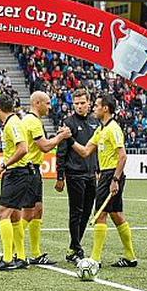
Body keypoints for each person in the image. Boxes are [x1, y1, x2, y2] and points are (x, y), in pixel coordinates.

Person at [63, 94, 138, 267]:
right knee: (117, 215)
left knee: (99, 216)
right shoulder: (101, 129)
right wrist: (69, 138)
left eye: (96, 105)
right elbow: (85, 151)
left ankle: (95, 259)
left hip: (110, 175)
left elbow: (123, 156)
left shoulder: (113, 129)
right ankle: (130, 257)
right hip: (107, 175)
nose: (94, 108)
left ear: (105, 108)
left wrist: (115, 179)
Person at [19, 91, 70, 265]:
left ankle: (35, 253)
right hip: (29, 170)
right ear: (37, 103)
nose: (50, 107)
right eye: (47, 103)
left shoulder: (30, 120)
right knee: (28, 212)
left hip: (33, 170)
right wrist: (61, 136)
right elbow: (45, 147)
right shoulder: (32, 121)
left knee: (37, 209)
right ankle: (14, 249)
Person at [55, 88, 100, 263]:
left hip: (90, 175)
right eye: (76, 103)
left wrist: (98, 170)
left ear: (89, 103)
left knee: (87, 212)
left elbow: (96, 149)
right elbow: (61, 152)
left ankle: (74, 246)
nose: (80, 106)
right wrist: (60, 176)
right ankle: (75, 247)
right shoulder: (68, 123)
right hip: (74, 174)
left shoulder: (95, 122)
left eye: (82, 103)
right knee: (76, 212)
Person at [0, 94, 32, 271]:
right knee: (15, 215)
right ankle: (21, 257)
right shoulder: (14, 122)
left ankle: (7, 258)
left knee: (2, 214)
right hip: (19, 173)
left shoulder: (12, 123)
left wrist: (4, 165)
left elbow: (23, 148)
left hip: (17, 173)